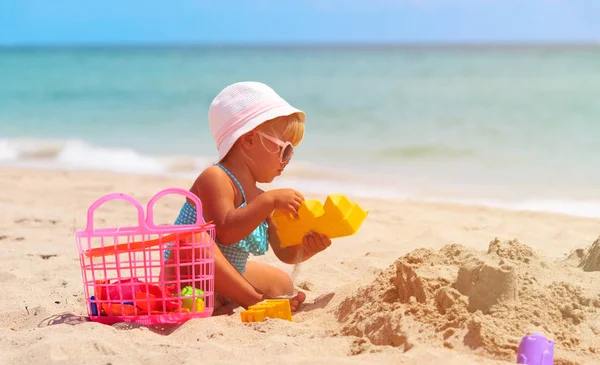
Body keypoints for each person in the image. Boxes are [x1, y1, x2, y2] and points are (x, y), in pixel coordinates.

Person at [164, 81, 332, 312]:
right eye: (285, 149)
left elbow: (283, 251)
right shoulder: (215, 178)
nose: (288, 159)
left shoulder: (262, 197)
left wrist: (307, 247)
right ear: (250, 140)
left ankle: (227, 298)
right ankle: (253, 300)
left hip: (220, 281)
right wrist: (268, 202)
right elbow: (226, 231)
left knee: (281, 282)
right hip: (187, 278)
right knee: (194, 240)